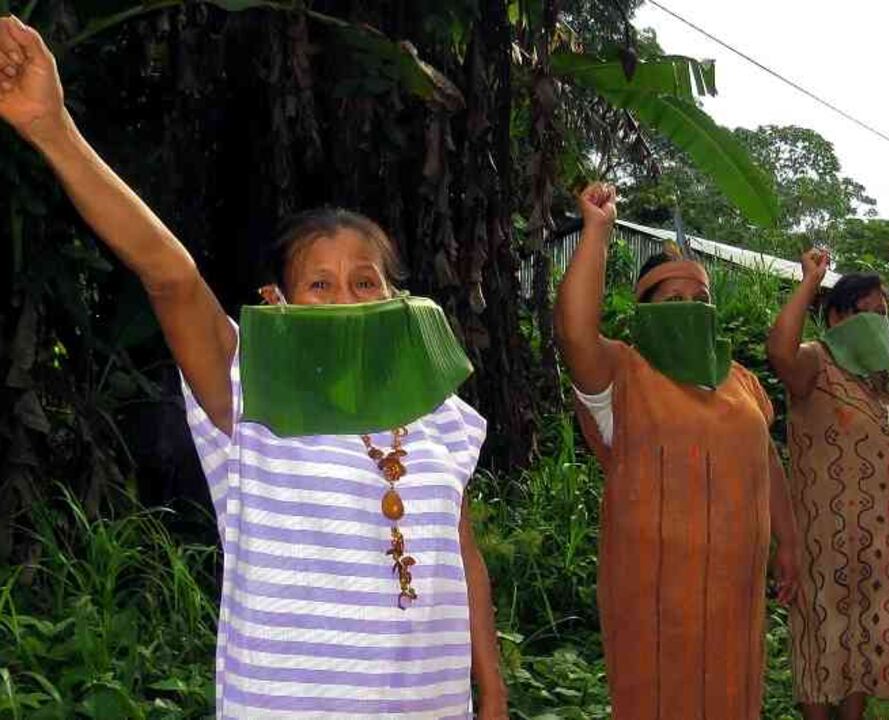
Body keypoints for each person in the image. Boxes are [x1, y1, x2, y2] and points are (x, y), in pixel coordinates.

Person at [0, 17, 508, 718]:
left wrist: (495, 689)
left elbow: (463, 556)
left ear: (401, 298)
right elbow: (170, 279)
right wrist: (53, 127)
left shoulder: (437, 413)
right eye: (319, 285)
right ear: (280, 303)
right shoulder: (249, 385)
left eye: (366, 281)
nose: (345, 299)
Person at [553, 183, 800, 720]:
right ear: (644, 314)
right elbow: (574, 333)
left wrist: (790, 541)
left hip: (737, 595)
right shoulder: (622, 374)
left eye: (699, 302)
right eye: (673, 303)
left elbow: (768, 463)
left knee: (734, 696)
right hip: (656, 603)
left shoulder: (740, 380)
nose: (689, 311)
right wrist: (597, 230)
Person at [767, 249, 889, 720]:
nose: (880, 322)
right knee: (821, 634)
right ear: (836, 316)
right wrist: (811, 282)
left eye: (885, 315)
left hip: (884, 544)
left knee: (866, 638)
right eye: (869, 313)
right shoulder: (815, 363)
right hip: (824, 540)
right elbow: (778, 352)